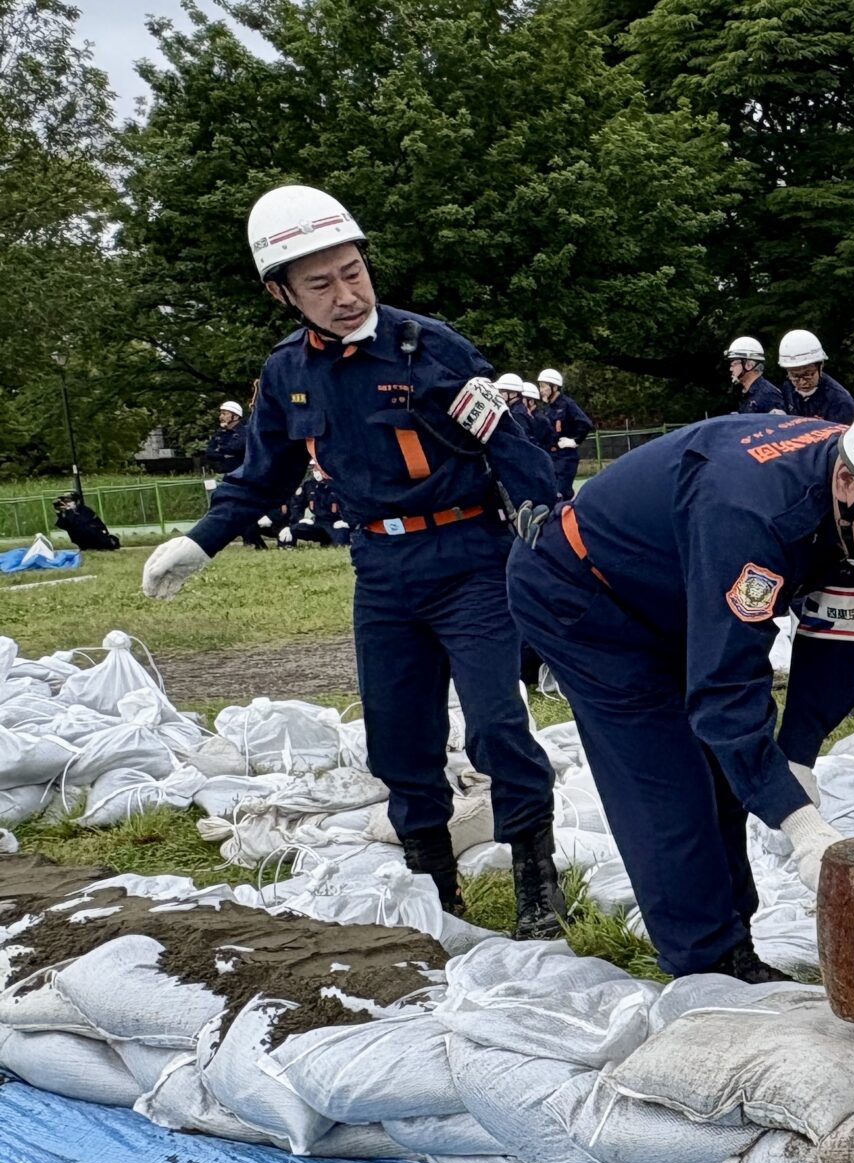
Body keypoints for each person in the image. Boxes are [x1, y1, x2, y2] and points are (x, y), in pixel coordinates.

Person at [139, 184, 565, 937]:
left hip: (470, 558)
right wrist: (199, 540)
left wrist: (548, 537)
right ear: (282, 293)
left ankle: (537, 885)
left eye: (353, 272)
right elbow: (261, 474)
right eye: (320, 283)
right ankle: (436, 892)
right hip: (381, 570)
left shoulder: (432, 348)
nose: (344, 294)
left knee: (498, 726)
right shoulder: (287, 375)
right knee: (398, 740)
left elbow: (510, 447)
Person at [507, 386, 854, 978]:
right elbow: (726, 694)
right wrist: (802, 824)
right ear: (846, 484)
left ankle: (736, 945)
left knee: (732, 778)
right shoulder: (750, 512)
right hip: (584, 594)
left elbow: (835, 647)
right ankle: (705, 969)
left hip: (673, 589)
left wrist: (796, 760)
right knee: (670, 780)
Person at [776, 330, 854, 424]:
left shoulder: (840, 403)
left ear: (821, 366)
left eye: (808, 374)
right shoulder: (787, 390)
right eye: (795, 376)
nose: (802, 382)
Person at [536, 367, 592, 499]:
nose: (541, 390)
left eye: (544, 386)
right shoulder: (546, 408)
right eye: (540, 386)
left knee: (561, 493)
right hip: (551, 457)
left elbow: (585, 423)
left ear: (554, 387)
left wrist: (574, 441)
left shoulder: (567, 404)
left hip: (565, 457)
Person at [724, 338, 788, 416]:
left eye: (734, 364)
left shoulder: (768, 395)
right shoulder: (745, 393)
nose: (730, 369)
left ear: (749, 365)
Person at [52, 494, 118, 551]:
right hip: (85, 542)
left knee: (109, 544)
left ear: (76, 502)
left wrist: (69, 511)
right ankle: (86, 546)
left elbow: (80, 523)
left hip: (98, 538)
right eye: (64, 502)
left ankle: (111, 541)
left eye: (69, 501)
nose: (66, 504)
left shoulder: (84, 510)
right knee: (72, 528)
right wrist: (59, 513)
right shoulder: (68, 512)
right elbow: (63, 526)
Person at [202, 399, 247, 475]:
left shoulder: (244, 432)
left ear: (235, 416)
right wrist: (224, 455)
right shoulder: (219, 432)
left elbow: (234, 448)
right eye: (220, 414)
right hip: (220, 475)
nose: (220, 417)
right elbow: (209, 453)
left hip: (239, 475)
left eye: (224, 414)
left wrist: (219, 450)